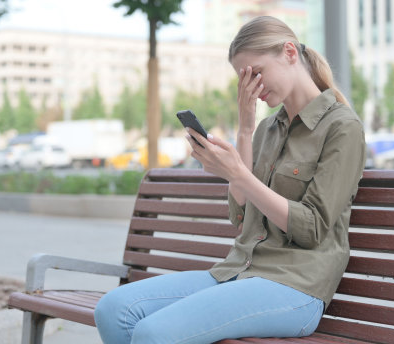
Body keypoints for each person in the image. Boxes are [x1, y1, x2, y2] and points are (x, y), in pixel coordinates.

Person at [94, 16, 366, 344]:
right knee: (113, 308)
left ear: (290, 53)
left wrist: (238, 173)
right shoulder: (266, 130)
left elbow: (312, 229)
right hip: (239, 270)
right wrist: (245, 130)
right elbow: (240, 218)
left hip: (296, 286)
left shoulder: (342, 127)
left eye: (257, 72)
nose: (252, 85)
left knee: (153, 333)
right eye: (244, 78)